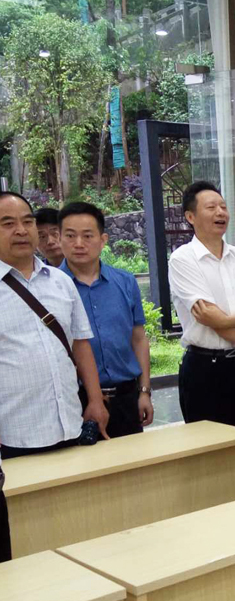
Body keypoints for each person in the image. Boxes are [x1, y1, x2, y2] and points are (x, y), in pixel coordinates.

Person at [0, 191, 109, 462]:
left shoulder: (61, 282)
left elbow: (80, 344)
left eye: (27, 221)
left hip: (70, 424)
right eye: (8, 223)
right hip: (13, 435)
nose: (21, 230)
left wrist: (95, 400)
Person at [169, 181, 235, 431]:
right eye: (211, 207)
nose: (220, 212)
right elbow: (208, 317)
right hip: (204, 368)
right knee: (209, 446)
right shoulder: (182, 259)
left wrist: (223, 321)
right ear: (190, 217)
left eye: (223, 207)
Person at [59, 202, 154, 438]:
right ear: (59, 239)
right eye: (70, 236)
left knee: (133, 459)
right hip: (75, 400)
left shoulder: (125, 281)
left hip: (126, 396)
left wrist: (144, 391)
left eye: (87, 236)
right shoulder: (50, 287)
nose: (78, 243)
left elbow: (138, 339)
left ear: (103, 240)